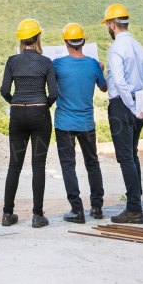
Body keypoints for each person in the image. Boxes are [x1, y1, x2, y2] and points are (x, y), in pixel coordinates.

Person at [0, 18, 58, 228]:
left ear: (21, 40)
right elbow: (55, 92)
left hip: (17, 115)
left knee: (14, 165)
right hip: (40, 115)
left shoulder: (12, 61)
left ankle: (7, 214)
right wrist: (43, 105)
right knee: (38, 165)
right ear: (38, 37)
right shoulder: (46, 62)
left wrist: (15, 102)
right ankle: (37, 216)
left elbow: (5, 90)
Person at [102, 3, 143, 224]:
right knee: (132, 154)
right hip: (138, 103)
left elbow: (120, 83)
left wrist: (133, 108)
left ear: (112, 25)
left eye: (108, 24)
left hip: (121, 106)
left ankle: (134, 208)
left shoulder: (116, 49)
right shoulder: (139, 46)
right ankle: (135, 201)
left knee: (125, 157)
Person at [52, 23, 107, 224]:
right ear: (83, 41)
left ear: (66, 42)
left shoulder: (57, 65)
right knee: (92, 163)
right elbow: (104, 88)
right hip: (86, 123)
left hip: (64, 123)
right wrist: (101, 69)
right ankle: (97, 206)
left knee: (68, 165)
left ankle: (77, 209)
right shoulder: (93, 64)